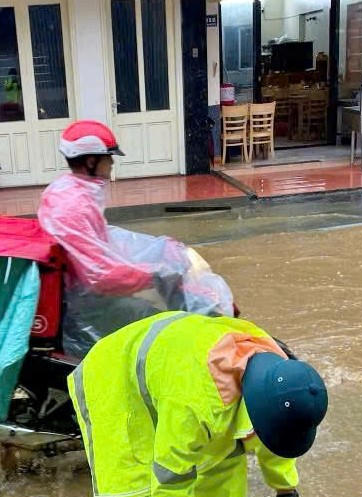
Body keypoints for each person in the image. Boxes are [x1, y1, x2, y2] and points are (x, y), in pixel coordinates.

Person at [67, 311, 328, 497]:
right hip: (117, 379)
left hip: (176, 364)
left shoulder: (278, 371)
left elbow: (274, 437)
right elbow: (169, 483)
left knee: (224, 467)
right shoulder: (196, 406)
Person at [38, 120, 234, 356]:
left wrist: (159, 248)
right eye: (108, 157)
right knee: (163, 327)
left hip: (84, 294)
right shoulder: (74, 205)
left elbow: (103, 238)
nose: (111, 163)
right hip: (88, 306)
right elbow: (99, 277)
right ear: (91, 161)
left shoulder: (69, 189)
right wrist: (155, 273)